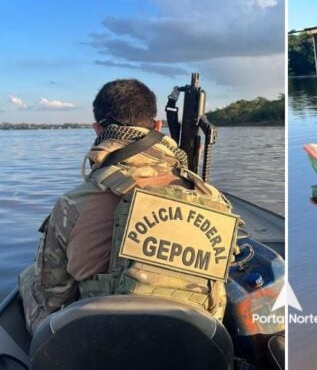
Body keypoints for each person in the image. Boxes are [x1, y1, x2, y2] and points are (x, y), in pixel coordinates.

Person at [19, 79, 237, 334]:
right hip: (193, 348)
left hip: (102, 346)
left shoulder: (73, 203)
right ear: (157, 126)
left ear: (97, 129)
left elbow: (53, 298)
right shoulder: (213, 198)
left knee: (28, 278)